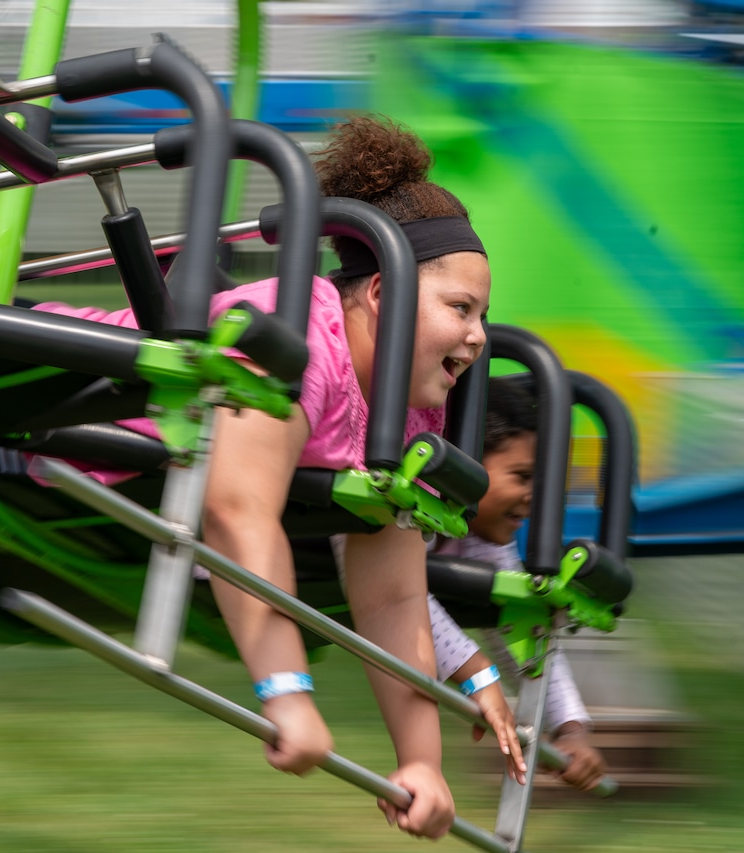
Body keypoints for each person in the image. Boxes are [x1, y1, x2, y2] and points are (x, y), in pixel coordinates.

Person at [34, 116, 489, 840]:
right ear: (381, 293)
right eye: (460, 309)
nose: (479, 335)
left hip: (91, 480)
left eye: (483, 315)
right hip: (15, 397)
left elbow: (395, 593)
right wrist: (285, 691)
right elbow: (237, 507)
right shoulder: (299, 333)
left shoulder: (410, 421)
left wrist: (423, 761)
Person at [428, 377, 607, 792]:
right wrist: (478, 678)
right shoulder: (417, 518)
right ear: (465, 464)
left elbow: (522, 627)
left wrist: (569, 727)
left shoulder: (484, 542)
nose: (534, 495)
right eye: (522, 476)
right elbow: (399, 598)